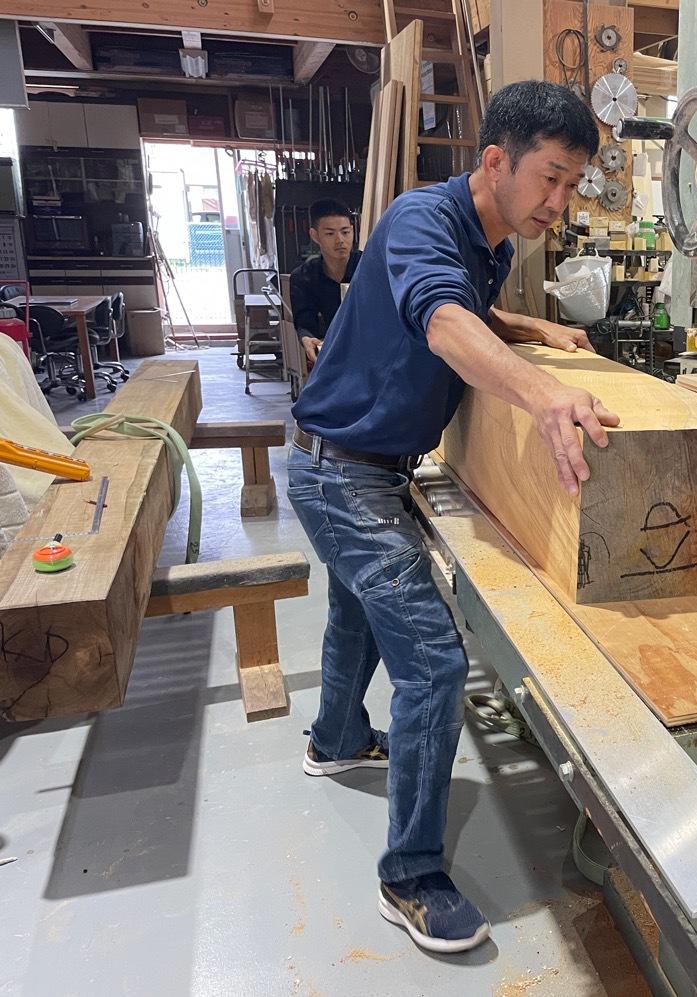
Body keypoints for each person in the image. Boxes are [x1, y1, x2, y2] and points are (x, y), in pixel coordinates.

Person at [286, 80, 616, 955]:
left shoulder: (487, 240)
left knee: (358, 605)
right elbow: (439, 319)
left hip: (364, 464)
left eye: (573, 183)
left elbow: (469, 307)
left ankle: (336, 738)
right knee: (433, 661)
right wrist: (543, 394)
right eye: (550, 177)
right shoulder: (419, 219)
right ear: (496, 160)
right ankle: (411, 875)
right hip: (339, 473)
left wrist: (530, 329)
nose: (560, 201)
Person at [290, 199, 362, 364]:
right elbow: (305, 322)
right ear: (315, 236)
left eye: (345, 232)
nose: (340, 240)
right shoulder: (304, 277)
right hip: (335, 354)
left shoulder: (370, 268)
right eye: (330, 234)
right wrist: (307, 338)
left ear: (352, 230)